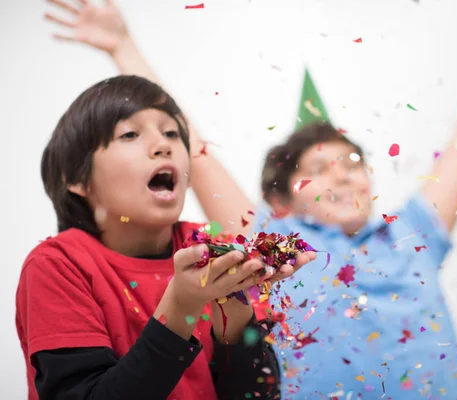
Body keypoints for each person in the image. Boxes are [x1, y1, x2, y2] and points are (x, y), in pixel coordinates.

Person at [42, 0, 457, 398]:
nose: (343, 176)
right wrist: (122, 45)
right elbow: (188, 147)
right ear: (284, 200)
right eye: (318, 169)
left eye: (354, 163)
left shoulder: (414, 233)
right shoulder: (274, 242)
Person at [15, 75, 315, 400]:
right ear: (77, 177)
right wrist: (181, 307)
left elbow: (258, 393)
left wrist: (235, 327)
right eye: (130, 133)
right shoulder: (57, 266)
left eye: (171, 132)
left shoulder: (212, 249)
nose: (164, 144)